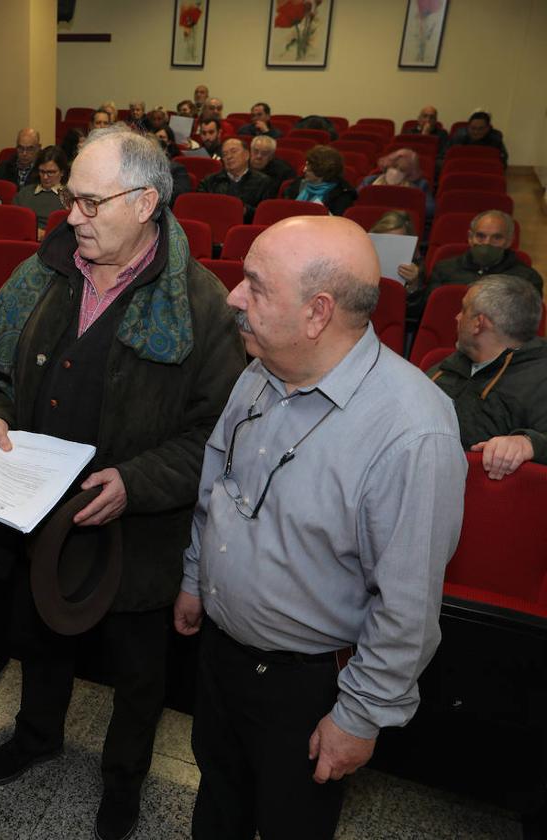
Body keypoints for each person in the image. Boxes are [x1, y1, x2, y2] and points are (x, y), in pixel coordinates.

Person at [0, 125, 243, 840]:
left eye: (90, 202)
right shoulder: (43, 272)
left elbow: (214, 439)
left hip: (139, 532)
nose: (72, 216)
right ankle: (37, 735)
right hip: (39, 515)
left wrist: (136, 481)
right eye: (71, 199)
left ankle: (123, 779)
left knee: (138, 672)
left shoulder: (202, 305)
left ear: (146, 201)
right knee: (41, 636)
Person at [174, 215, 467, 840]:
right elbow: (217, 486)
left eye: (256, 285)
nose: (233, 296)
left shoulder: (414, 433)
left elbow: (408, 607)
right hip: (221, 658)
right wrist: (197, 578)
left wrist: (359, 718)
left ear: (317, 313)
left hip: (308, 689)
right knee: (218, 800)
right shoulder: (259, 369)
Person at [428, 275, 547, 479]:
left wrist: (529, 442)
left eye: (463, 310)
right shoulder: (449, 365)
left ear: (478, 323)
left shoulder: (540, 376)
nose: (457, 317)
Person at [423, 210, 542, 295]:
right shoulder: (444, 269)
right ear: (470, 237)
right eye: (480, 236)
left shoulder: (528, 279)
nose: (487, 243)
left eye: (496, 238)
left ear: (509, 241)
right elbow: (428, 312)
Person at [197, 138, 276, 223]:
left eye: (233, 151)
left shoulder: (264, 182)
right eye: (225, 154)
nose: (229, 157)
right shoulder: (209, 181)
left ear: (246, 155)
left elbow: (266, 214)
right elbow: (200, 209)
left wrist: (246, 211)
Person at [358, 148, 434, 220]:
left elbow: (430, 210)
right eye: (393, 167)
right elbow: (356, 200)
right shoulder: (369, 181)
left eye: (402, 170)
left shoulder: (421, 185)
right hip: (371, 219)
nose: (395, 173)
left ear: (410, 172)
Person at [281, 145, 357, 216]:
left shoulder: (342, 194)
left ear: (322, 171)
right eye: (306, 165)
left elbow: (336, 222)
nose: (304, 170)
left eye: (309, 168)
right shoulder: (297, 184)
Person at [13, 145, 68, 237]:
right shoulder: (24, 193)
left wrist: (44, 234)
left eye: (51, 172)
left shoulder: (68, 197)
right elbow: (13, 222)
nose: (45, 177)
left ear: (62, 172)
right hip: (23, 240)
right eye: (42, 172)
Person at [368, 210, 421, 288]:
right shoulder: (362, 257)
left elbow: (418, 299)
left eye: (396, 241)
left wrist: (413, 284)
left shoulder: (416, 267)